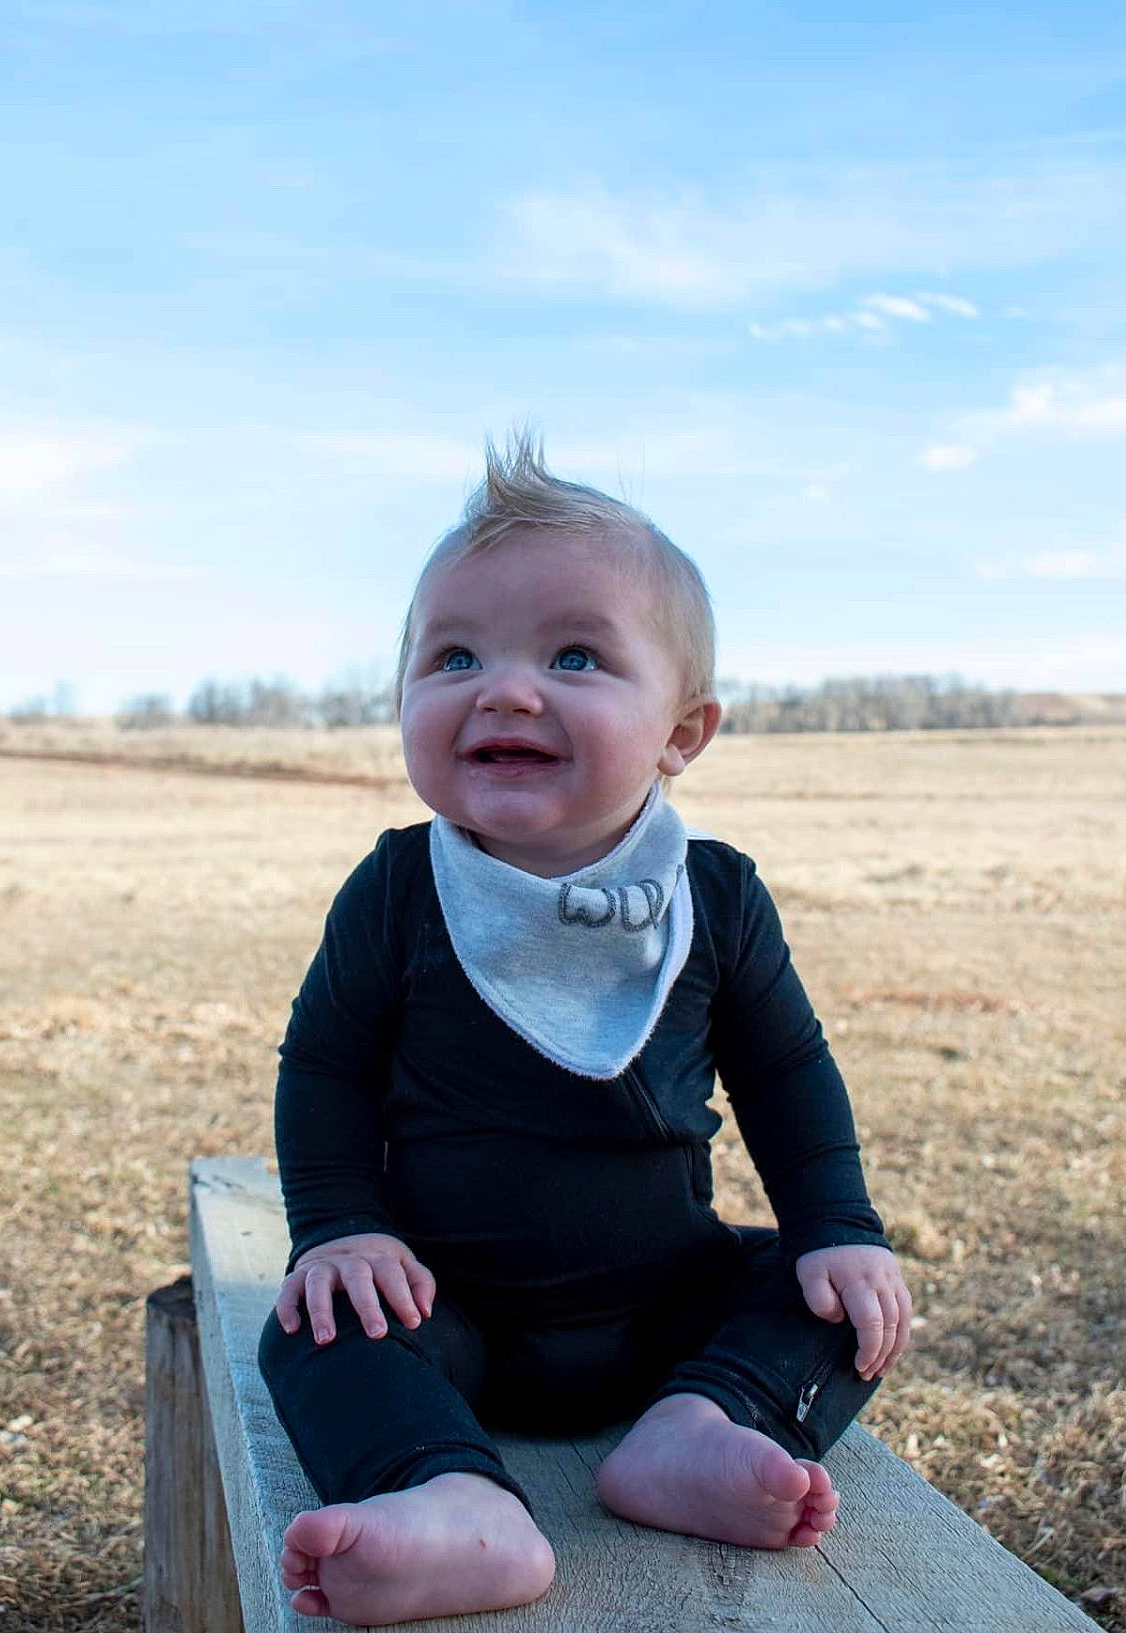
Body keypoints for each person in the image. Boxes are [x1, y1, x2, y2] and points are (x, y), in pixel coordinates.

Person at [258, 432, 914, 1626]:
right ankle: (452, 1496)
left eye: (574, 654)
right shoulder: (402, 887)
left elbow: (786, 1073)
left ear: (682, 732)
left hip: (670, 1304)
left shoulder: (713, 896)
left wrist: (838, 1224)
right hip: (446, 1311)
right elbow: (326, 1066)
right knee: (311, 1328)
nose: (505, 687)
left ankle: (695, 1430)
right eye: (453, 654)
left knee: (835, 1296)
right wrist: (341, 1226)